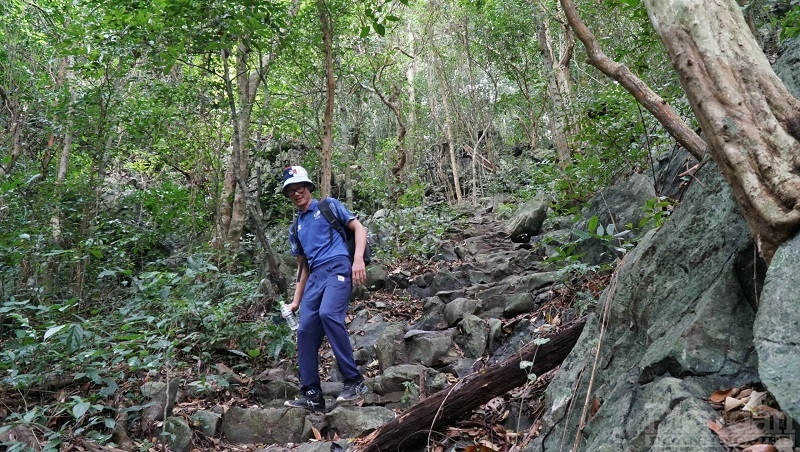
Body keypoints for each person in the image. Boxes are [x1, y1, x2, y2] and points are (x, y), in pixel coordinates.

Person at [281, 165, 368, 411]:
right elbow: (302, 267)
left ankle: (354, 381)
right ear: (288, 195)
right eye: (291, 190)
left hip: (338, 265)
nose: (297, 193)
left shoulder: (327, 206)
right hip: (315, 276)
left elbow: (358, 227)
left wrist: (358, 260)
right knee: (305, 330)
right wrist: (295, 302)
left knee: (328, 314)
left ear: (309, 187)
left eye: (300, 187)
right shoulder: (295, 228)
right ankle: (312, 394)